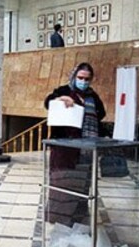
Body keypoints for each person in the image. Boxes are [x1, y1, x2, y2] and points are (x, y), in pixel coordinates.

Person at [43, 62, 106, 225]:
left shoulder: (93, 96)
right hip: (66, 149)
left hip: (87, 149)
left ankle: (79, 218)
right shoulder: (64, 90)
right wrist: (60, 99)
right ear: (74, 76)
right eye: (80, 78)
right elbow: (48, 102)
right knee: (64, 181)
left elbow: (101, 113)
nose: (83, 82)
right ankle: (60, 220)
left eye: (87, 79)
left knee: (83, 185)